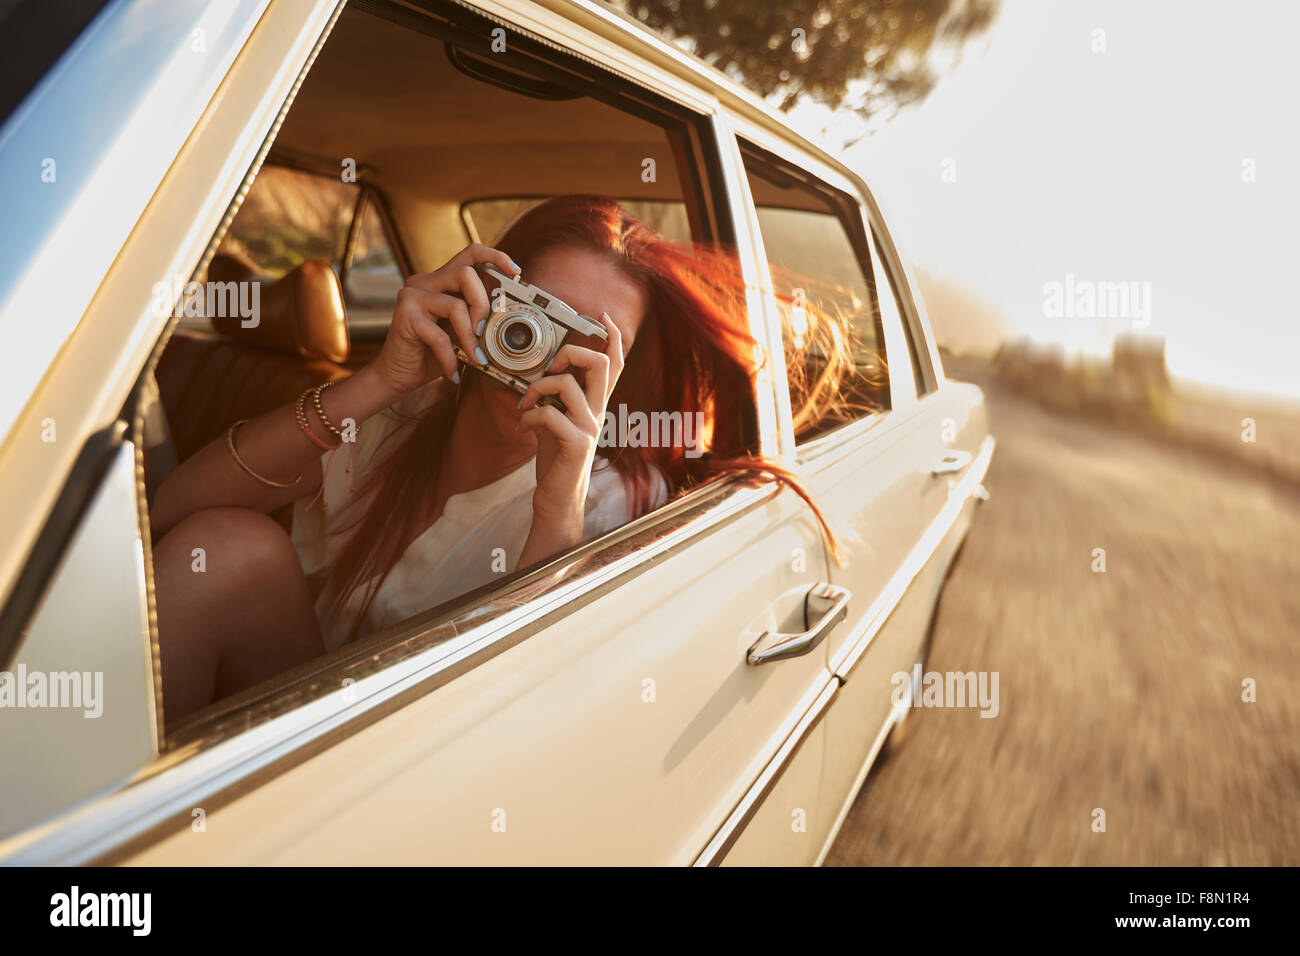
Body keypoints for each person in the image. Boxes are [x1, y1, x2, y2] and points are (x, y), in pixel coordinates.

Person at [149, 195, 833, 725]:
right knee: (225, 548)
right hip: (289, 713)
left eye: (588, 343)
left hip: (430, 767)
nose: (544, 354)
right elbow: (174, 512)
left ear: (621, 375)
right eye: (535, 316)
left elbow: (532, 715)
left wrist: (555, 498)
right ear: (483, 298)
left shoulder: (615, 499)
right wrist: (379, 380)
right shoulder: (404, 410)